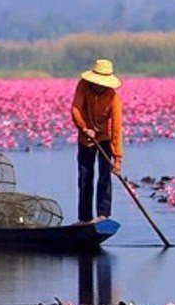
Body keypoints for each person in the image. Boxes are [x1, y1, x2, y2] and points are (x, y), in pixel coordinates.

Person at [71, 59, 124, 224]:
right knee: (85, 177)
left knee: (104, 176)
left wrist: (118, 159)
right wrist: (84, 128)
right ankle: (84, 218)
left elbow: (116, 129)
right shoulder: (83, 86)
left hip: (104, 138)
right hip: (85, 137)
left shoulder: (113, 99)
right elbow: (76, 109)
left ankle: (103, 215)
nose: (100, 86)